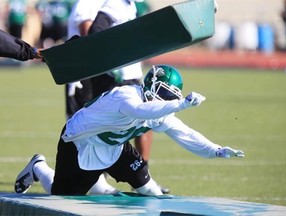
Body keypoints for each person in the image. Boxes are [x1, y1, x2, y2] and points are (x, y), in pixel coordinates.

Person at [15, 64, 245, 196]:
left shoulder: (159, 109)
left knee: (150, 189)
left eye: (170, 96)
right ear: (151, 85)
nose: (165, 99)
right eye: (163, 93)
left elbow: (185, 134)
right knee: (60, 195)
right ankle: (38, 166)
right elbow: (140, 111)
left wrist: (215, 150)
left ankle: (100, 184)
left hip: (114, 146)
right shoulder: (127, 96)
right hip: (81, 142)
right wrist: (181, 104)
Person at [65, 0, 166, 194]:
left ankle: (142, 177)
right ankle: (91, 178)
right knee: (87, 126)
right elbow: (89, 31)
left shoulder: (130, 4)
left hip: (126, 70)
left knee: (145, 120)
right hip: (92, 72)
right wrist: (108, 63)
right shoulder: (103, 3)